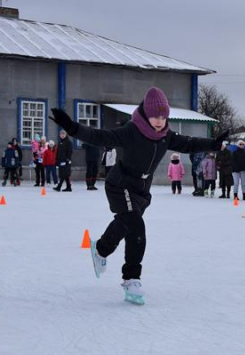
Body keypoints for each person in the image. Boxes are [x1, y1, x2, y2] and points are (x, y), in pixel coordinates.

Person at [49, 86, 224, 305]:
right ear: (145, 114)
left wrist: (213, 144)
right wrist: (72, 128)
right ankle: (132, 278)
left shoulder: (165, 135)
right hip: (121, 184)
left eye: (163, 116)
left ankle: (101, 249)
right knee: (136, 227)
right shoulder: (131, 131)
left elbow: (188, 143)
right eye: (155, 116)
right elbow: (99, 136)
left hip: (141, 189)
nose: (160, 121)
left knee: (126, 224)